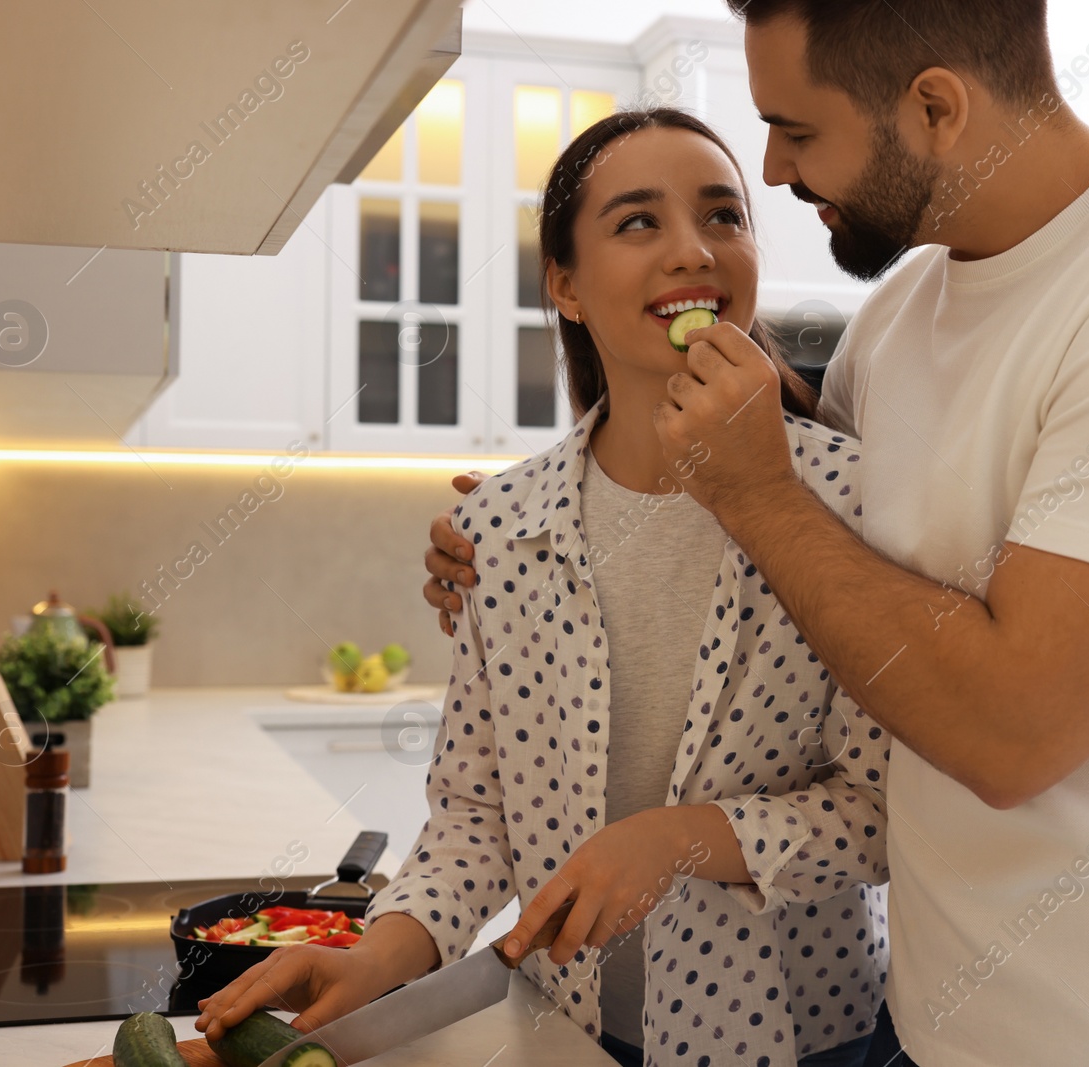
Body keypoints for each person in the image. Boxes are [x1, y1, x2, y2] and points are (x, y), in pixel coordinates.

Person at [426, 2, 1089, 1065]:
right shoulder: (902, 314)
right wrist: (517, 527)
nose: (775, 170)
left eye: (796, 128)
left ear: (933, 106)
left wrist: (756, 494)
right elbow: (803, 568)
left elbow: (1010, 734)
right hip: (928, 1022)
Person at [197, 108, 892, 1067]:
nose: (694, 250)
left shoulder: (847, 501)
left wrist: (686, 838)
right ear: (563, 285)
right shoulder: (502, 529)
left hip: (806, 1038)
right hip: (570, 1029)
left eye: (724, 217)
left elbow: (881, 812)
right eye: (639, 222)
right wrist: (378, 956)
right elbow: (476, 817)